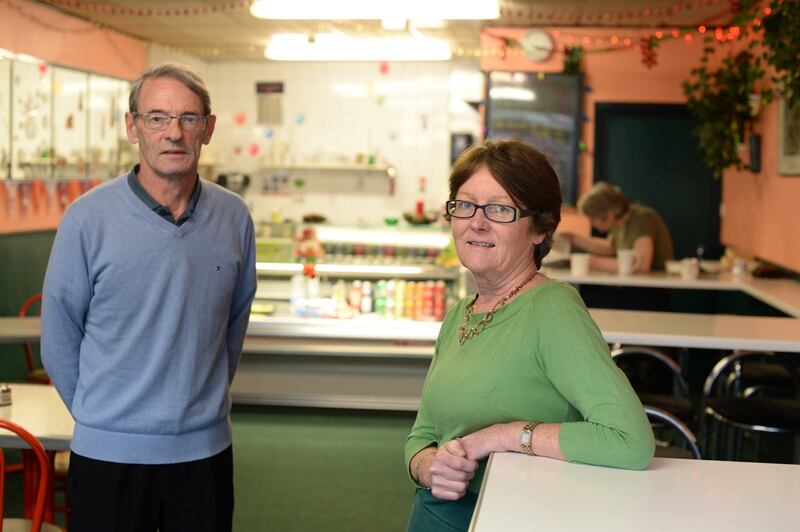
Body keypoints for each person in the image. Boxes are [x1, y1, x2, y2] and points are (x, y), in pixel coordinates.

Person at [41, 63, 256, 532]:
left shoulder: (234, 217)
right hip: (107, 457)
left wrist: (196, 407)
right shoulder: (86, 219)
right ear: (132, 126)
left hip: (204, 455)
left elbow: (233, 326)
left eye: (188, 118)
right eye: (156, 117)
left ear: (208, 129)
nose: (173, 132)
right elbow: (58, 338)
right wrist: (105, 419)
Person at [404, 140, 654, 531]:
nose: (477, 222)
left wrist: (504, 436)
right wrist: (429, 467)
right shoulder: (460, 314)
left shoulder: (552, 308)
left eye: (500, 209)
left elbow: (630, 441)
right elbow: (422, 433)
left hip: (509, 516)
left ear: (539, 229)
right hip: (438, 511)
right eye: (465, 205)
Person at [568, 182, 673, 272]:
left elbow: (641, 266)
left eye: (593, 219)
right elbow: (610, 248)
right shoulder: (617, 224)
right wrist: (573, 238)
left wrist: (592, 262)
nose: (592, 224)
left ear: (609, 215)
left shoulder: (642, 218)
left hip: (652, 287)